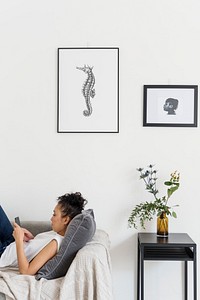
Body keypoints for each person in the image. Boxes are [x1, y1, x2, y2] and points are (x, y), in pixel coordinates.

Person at [0, 192, 87, 275]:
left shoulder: (55, 244)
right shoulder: (56, 233)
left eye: (54, 214)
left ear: (65, 220)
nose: (51, 218)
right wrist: (31, 239)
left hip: (3, 253)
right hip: (11, 243)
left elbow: (26, 271)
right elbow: (37, 251)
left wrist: (19, 240)